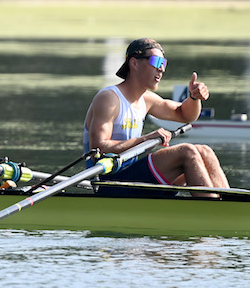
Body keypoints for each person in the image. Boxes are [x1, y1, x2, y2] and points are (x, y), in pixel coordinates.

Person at [83, 38, 229, 197]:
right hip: (108, 181)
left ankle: (231, 202)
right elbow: (98, 148)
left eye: (164, 63)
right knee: (186, 151)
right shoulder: (109, 98)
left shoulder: (146, 99)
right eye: (156, 61)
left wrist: (194, 98)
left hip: (129, 178)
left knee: (204, 151)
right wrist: (146, 139)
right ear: (134, 63)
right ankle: (214, 210)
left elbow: (185, 115)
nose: (161, 69)